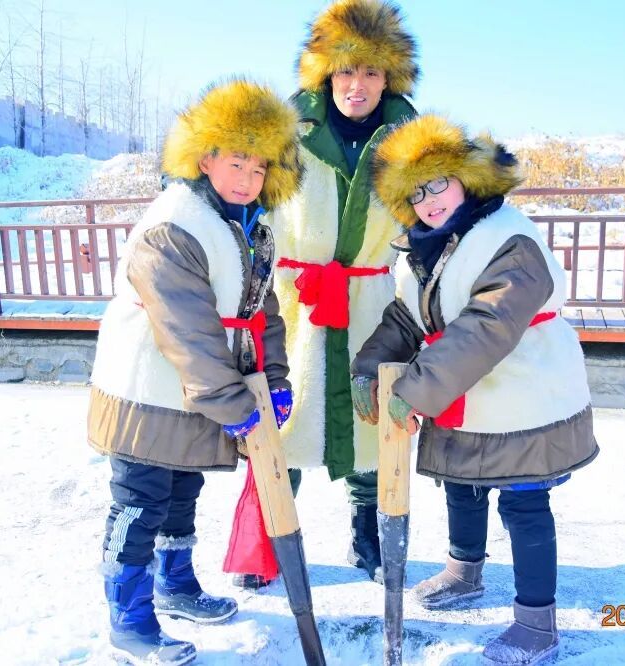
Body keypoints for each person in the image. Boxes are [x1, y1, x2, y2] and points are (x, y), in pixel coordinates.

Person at [352, 114, 599, 665]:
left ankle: (537, 623)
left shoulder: (509, 238)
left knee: (524, 502)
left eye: (438, 183)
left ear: (466, 178)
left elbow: (488, 324)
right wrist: (370, 365)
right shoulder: (430, 243)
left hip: (523, 391)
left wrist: (419, 387)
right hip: (462, 387)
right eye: (416, 193)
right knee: (461, 484)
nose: (428, 201)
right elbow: (409, 315)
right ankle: (464, 571)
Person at [86, 79, 302, 664]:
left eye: (258, 168)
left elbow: (260, 308)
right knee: (139, 501)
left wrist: (275, 380)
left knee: (184, 487)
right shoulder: (174, 225)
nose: (247, 179)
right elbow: (189, 329)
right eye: (236, 163)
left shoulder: (245, 224)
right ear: (204, 158)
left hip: (198, 390)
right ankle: (129, 619)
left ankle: (175, 584)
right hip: (148, 387)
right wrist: (235, 405)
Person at [262, 0, 418, 588]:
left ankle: (366, 536)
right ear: (326, 75)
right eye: (346, 71)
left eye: (371, 72)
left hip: (368, 297)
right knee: (284, 417)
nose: (357, 85)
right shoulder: (286, 134)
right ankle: (272, 538)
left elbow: (435, 215)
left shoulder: (408, 143)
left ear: (388, 79)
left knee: (368, 415)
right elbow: (242, 195)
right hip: (295, 299)